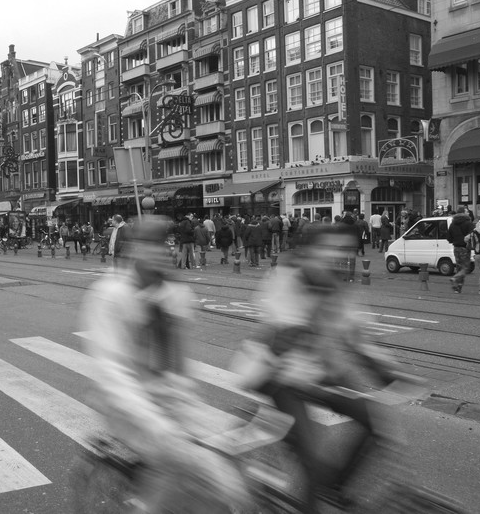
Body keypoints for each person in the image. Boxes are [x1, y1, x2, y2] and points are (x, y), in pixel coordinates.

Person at [231, 224, 402, 511]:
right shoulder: (285, 278)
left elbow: (355, 334)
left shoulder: (334, 285)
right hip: (274, 372)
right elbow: (284, 332)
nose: (338, 256)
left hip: (315, 370)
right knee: (312, 454)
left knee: (373, 419)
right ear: (309, 251)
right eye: (329, 248)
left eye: (343, 250)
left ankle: (332, 487)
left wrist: (390, 371)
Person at [81, 217, 248, 511]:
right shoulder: (110, 296)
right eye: (151, 245)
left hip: (168, 400)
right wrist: (159, 425)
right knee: (177, 463)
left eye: (165, 244)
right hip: (125, 405)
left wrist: (190, 410)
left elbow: (180, 366)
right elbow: (113, 372)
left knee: (227, 467)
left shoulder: (175, 295)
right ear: (133, 249)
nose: (161, 251)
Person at [447, 206, 475, 293]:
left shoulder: (453, 223)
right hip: (465, 247)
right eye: (466, 211)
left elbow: (449, 237)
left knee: (459, 268)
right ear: (463, 213)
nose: (468, 213)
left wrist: (455, 240)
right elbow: (473, 234)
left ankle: (458, 288)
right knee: (466, 268)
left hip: (456, 247)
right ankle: (455, 278)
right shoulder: (468, 223)